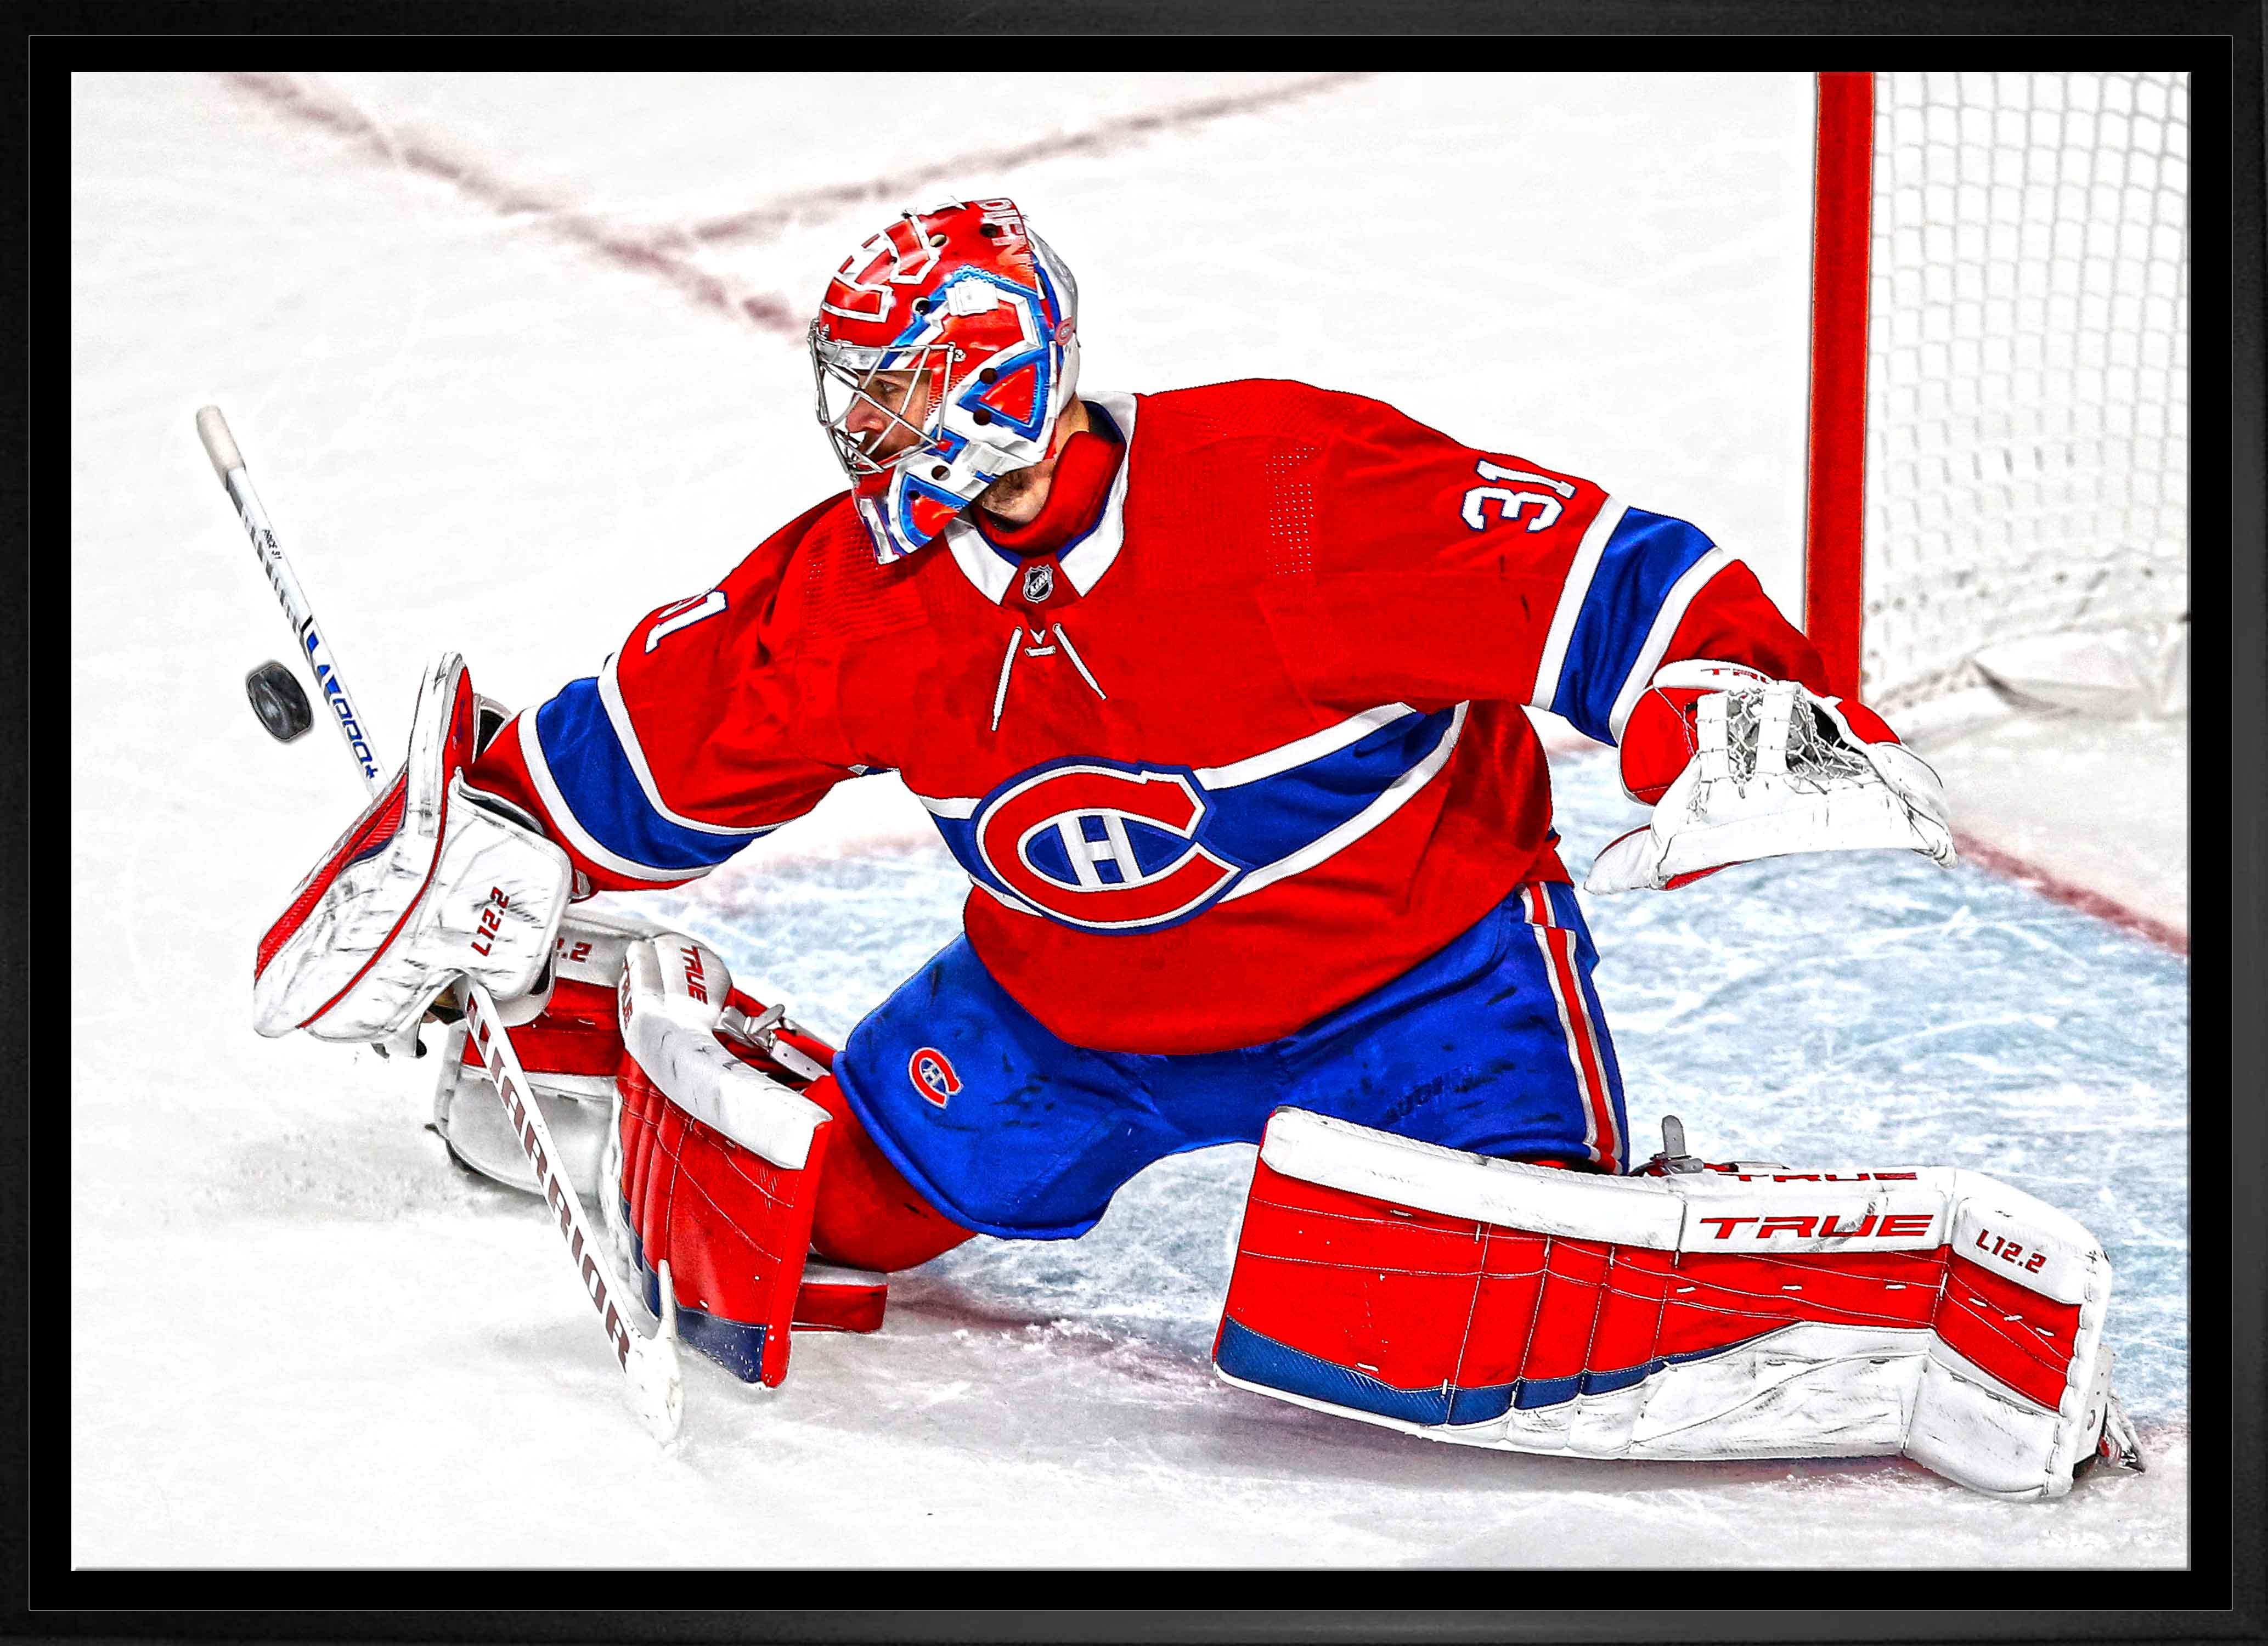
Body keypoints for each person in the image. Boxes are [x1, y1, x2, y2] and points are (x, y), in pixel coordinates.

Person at [252, 200, 2140, 1496]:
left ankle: (1844, 1298)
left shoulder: (1289, 497)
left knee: (1525, 1296)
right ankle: (580, 1042)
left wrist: (1730, 708)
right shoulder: (865, 597)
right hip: (1064, 1011)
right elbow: (684, 729)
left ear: (993, 363)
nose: (861, 427)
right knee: (831, 1219)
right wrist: (493, 831)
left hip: (1421, 986)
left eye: (894, 385)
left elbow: (1603, 574)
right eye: (852, 390)